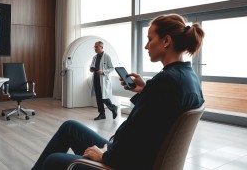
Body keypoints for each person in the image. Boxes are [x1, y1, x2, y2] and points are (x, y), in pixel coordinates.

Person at [31, 13, 205, 170]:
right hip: (135, 157)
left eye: (150, 39)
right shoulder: (188, 78)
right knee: (70, 127)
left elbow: (138, 136)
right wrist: (146, 89)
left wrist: (104, 155)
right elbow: (156, 124)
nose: (146, 46)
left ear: (166, 41)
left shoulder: (165, 82)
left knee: (52, 161)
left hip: (125, 162)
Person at [89, 41, 117, 120]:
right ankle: (102, 114)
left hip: (103, 79)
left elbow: (112, 68)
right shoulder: (95, 57)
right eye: (94, 47)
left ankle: (113, 108)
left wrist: (103, 71)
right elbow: (92, 66)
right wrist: (91, 69)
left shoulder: (107, 56)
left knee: (103, 97)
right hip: (96, 79)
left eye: (96, 47)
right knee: (98, 97)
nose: (95, 48)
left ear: (101, 47)